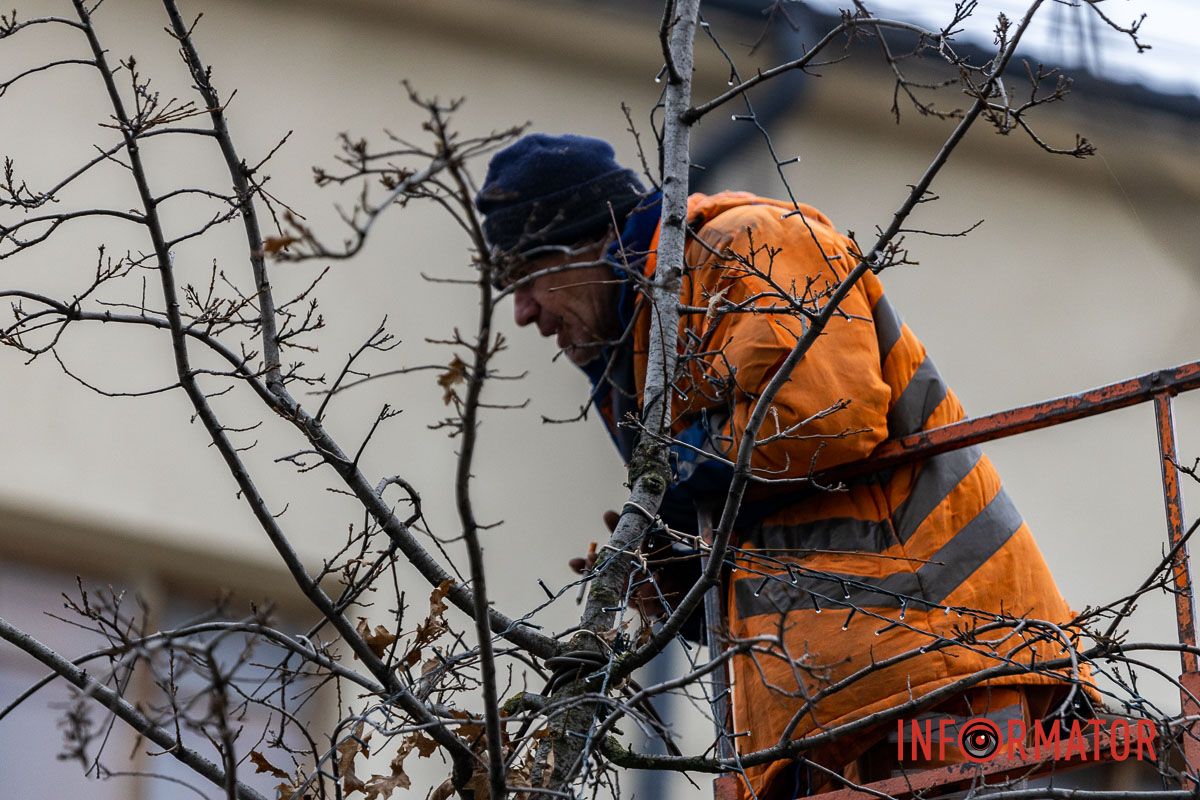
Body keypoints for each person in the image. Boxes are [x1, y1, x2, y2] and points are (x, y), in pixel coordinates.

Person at [475, 133, 1093, 798]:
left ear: (589, 243)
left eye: (528, 277)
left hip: (949, 675)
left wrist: (675, 494)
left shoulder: (746, 242)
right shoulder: (645, 349)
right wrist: (684, 575)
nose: (523, 313)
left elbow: (822, 416)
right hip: (827, 710)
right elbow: (777, 510)